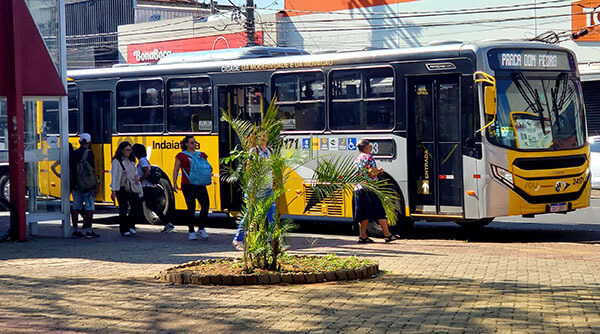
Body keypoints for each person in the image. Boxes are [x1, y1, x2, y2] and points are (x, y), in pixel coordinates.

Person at [232, 131, 277, 251]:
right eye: (260, 137)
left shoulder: (271, 151)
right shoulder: (253, 152)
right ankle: (238, 239)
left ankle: (272, 240)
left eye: (265, 136)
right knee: (250, 215)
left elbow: (273, 169)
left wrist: (274, 183)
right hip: (255, 189)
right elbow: (249, 169)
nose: (263, 139)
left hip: (268, 188)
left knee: (272, 215)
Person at [354, 139, 400, 243]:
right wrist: (379, 171)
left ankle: (363, 236)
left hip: (359, 188)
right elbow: (371, 172)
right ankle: (387, 235)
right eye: (370, 146)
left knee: (363, 214)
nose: (371, 148)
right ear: (366, 147)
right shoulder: (368, 157)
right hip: (370, 188)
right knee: (379, 211)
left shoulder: (357, 158)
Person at [172, 135, 210, 241]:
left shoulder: (201, 154)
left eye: (195, 142)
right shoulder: (181, 156)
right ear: (186, 144)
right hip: (188, 184)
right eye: (192, 142)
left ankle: (201, 228)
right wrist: (174, 183)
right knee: (191, 208)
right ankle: (191, 231)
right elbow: (176, 169)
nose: (194, 144)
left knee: (205, 205)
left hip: (201, 184)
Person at [132, 143, 175, 233]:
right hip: (148, 187)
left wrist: (139, 180)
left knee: (135, 205)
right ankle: (168, 224)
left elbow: (147, 173)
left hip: (146, 188)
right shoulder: (144, 160)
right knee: (152, 206)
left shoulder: (142, 161)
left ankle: (130, 226)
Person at [110, 141, 143, 237]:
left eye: (130, 150)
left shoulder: (132, 160)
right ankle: (124, 229)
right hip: (122, 188)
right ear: (121, 150)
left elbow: (134, 172)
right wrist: (114, 191)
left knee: (136, 206)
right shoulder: (117, 161)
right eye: (127, 150)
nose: (129, 152)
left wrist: (137, 178)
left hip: (132, 186)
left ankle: (131, 225)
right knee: (123, 209)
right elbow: (115, 176)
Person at [70, 133, 100, 239]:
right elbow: (92, 170)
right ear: (89, 142)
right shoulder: (89, 153)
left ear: (79, 142)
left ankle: (75, 230)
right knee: (89, 207)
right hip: (87, 185)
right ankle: (89, 230)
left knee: (76, 207)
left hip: (76, 184)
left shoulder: (73, 154)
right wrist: (96, 183)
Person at [51, 143, 82, 237]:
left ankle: (64, 221)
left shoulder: (62, 157)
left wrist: (58, 175)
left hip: (65, 181)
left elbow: (52, 167)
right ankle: (84, 217)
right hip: (74, 181)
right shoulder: (73, 156)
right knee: (77, 201)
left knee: (66, 201)